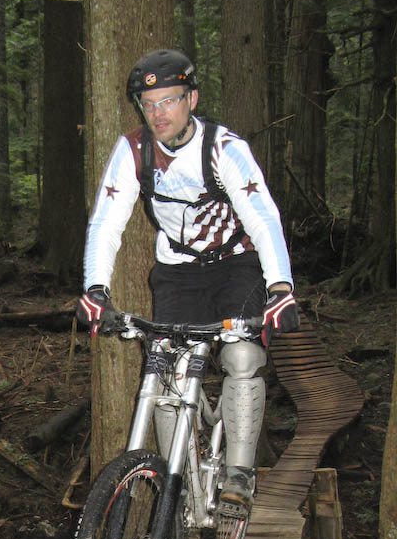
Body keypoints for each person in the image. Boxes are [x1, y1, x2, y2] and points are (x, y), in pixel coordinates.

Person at [77, 48, 299, 512]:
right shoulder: (134, 150)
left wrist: (280, 287)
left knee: (241, 355)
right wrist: (96, 289)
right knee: (165, 373)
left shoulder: (224, 148)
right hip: (177, 272)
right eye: (148, 104)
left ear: (192, 99)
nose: (158, 113)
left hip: (236, 265)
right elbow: (106, 222)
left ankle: (239, 472)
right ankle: (177, 484)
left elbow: (263, 216)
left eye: (169, 100)